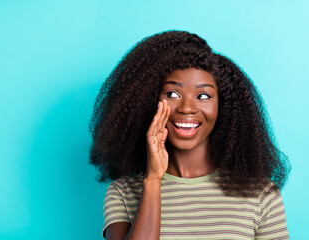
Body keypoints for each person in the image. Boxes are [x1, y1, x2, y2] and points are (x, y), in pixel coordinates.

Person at [89, 30, 291, 240]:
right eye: (172, 94)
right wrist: (153, 180)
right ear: (148, 101)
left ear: (224, 107)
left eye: (203, 96)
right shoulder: (123, 192)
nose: (186, 108)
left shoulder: (260, 194)